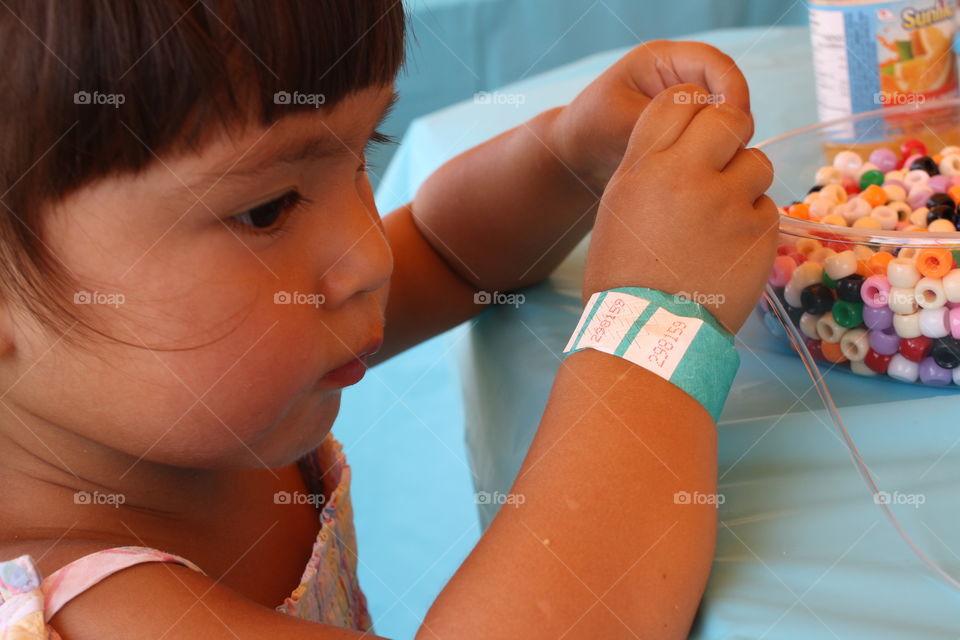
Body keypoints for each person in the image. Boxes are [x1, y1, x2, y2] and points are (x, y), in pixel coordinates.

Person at [0, 1, 777, 638]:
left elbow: (446, 254)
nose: (370, 253)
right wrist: (655, 327)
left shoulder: (173, 383)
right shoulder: (87, 614)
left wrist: (570, 158)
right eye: (268, 209)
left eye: (363, 149)